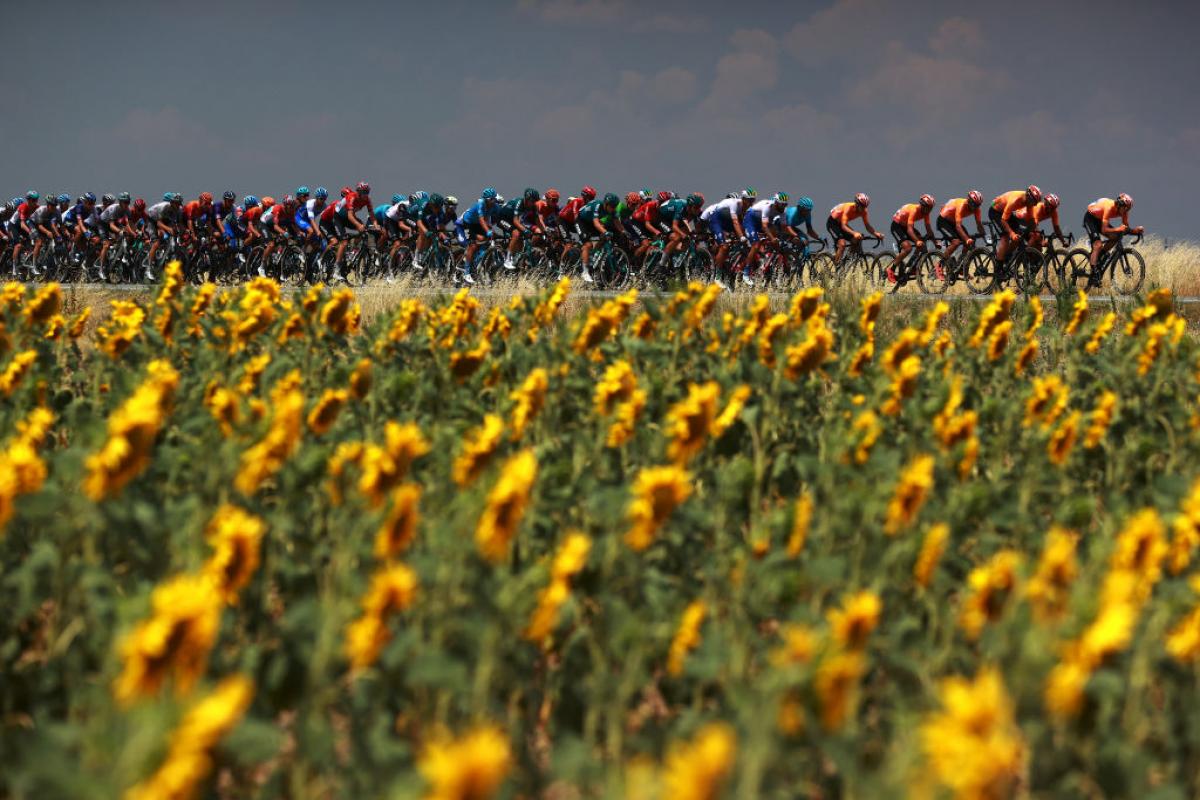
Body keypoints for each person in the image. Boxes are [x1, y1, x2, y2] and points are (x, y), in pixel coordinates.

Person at [700, 189, 755, 284]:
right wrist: (742, 237)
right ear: (743, 199)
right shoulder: (735, 204)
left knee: (739, 240)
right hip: (716, 220)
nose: (751, 203)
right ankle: (717, 275)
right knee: (724, 246)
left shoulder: (748, 208)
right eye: (749, 200)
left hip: (726, 222)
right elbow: (735, 222)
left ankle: (728, 264)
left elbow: (745, 224)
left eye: (753, 200)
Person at [742, 192, 790, 286]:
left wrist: (793, 237)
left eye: (785, 204)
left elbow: (784, 227)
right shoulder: (767, 207)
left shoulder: (783, 211)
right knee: (756, 244)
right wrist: (772, 238)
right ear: (776, 203)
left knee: (777, 243)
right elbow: (764, 227)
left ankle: (767, 263)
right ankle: (746, 273)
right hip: (751, 220)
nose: (784, 206)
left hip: (763, 222)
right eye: (782, 204)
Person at [1084, 193, 1142, 268]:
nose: (1126, 211)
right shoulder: (1109, 207)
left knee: (1115, 237)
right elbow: (1104, 230)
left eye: (1128, 209)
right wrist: (1119, 229)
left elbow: (1125, 229)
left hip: (1100, 219)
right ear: (1119, 204)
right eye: (1125, 208)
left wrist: (1135, 231)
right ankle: (1093, 274)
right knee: (1098, 245)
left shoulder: (1124, 212)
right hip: (1090, 218)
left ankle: (1100, 256)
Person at [887, 194, 936, 282]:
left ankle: (912, 267)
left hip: (906, 226)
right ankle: (891, 269)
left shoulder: (926, 213)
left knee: (922, 245)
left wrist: (935, 242)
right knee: (908, 248)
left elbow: (929, 230)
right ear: (922, 205)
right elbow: (910, 230)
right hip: (897, 226)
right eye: (928, 208)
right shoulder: (914, 210)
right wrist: (917, 241)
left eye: (931, 208)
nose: (929, 210)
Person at [456, 188, 499, 284]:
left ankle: (476, 262)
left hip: (477, 224)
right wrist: (488, 231)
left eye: (494, 199)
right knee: (473, 245)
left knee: (485, 239)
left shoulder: (493, 206)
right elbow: (481, 219)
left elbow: (488, 220)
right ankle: (466, 273)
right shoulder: (480, 204)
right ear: (486, 199)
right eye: (491, 199)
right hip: (467, 223)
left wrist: (491, 230)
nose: (493, 201)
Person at [577, 192, 623, 283]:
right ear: (606, 204)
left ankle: (593, 258)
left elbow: (617, 223)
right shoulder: (598, 205)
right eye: (612, 206)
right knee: (588, 244)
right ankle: (585, 272)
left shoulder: (612, 209)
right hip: (581, 221)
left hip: (591, 222)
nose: (613, 208)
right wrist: (605, 232)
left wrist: (624, 232)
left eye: (615, 206)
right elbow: (596, 223)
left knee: (604, 238)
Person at [935, 190, 985, 274]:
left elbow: (979, 225)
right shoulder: (961, 205)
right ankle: (939, 267)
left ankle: (959, 266)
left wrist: (983, 235)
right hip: (943, 221)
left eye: (977, 205)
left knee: (968, 243)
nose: (974, 207)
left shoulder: (977, 210)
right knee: (956, 242)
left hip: (953, 222)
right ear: (968, 201)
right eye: (973, 204)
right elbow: (958, 227)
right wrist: (967, 239)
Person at [989, 185, 1041, 264]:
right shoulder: (1015, 200)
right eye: (1034, 202)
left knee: (1018, 235)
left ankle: (1006, 257)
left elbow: (1031, 221)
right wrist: (1012, 234)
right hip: (995, 212)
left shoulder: (1029, 202)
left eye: (1036, 202)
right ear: (1028, 196)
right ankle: (998, 269)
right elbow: (1003, 220)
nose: (1034, 204)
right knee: (1005, 237)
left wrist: (1036, 233)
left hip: (1006, 212)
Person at [827, 193, 883, 264]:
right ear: (857, 204)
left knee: (856, 239)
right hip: (833, 223)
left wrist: (876, 233)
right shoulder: (848, 208)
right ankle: (835, 269)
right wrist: (854, 233)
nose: (863, 208)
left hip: (842, 223)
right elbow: (843, 226)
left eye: (865, 206)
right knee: (842, 244)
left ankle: (846, 260)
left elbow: (867, 226)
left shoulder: (864, 211)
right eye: (862, 206)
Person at [145, 192, 184, 278]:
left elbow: (179, 224)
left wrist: (184, 231)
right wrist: (168, 229)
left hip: (165, 219)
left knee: (171, 237)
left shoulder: (179, 210)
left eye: (179, 204)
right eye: (176, 204)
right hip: (152, 220)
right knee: (156, 242)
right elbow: (159, 223)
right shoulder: (164, 207)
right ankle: (148, 269)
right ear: (172, 203)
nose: (178, 206)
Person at [504, 188, 543, 270]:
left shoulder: (533, 206)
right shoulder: (519, 202)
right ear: (526, 199)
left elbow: (537, 221)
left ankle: (516, 262)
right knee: (516, 233)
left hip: (512, 220)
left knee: (521, 241)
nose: (533, 203)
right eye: (532, 201)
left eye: (535, 201)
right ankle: (507, 259)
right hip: (503, 218)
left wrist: (544, 231)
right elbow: (515, 221)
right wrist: (525, 230)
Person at [660, 193, 704, 263]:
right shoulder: (681, 207)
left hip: (675, 218)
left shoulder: (696, 211)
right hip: (663, 218)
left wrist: (700, 235)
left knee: (688, 238)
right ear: (689, 206)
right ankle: (661, 265)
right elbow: (674, 226)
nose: (698, 209)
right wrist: (683, 235)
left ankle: (674, 256)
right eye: (696, 207)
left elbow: (698, 228)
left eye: (699, 207)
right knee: (676, 237)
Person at [8, 191, 41, 272]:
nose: (35, 202)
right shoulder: (23, 207)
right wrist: (30, 232)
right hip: (14, 226)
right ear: (28, 200)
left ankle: (30, 263)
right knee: (18, 245)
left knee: (33, 242)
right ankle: (14, 268)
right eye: (33, 200)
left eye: (36, 200)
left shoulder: (37, 207)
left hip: (22, 225)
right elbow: (22, 224)